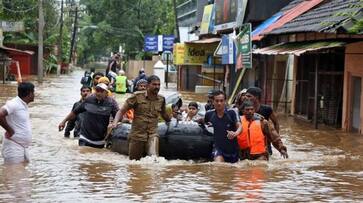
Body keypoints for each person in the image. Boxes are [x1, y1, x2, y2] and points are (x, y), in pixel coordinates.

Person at [111, 75, 172, 160]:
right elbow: (121, 111)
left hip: (152, 134)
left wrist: (171, 122)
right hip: (137, 135)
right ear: (147, 86)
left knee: (153, 159)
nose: (157, 87)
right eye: (154, 84)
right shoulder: (137, 96)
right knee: (134, 163)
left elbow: (164, 113)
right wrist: (115, 122)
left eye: (158, 85)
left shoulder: (161, 99)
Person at [58, 83, 119, 148]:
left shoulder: (111, 103)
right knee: (82, 155)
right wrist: (63, 122)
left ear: (106, 93)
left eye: (101, 91)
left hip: (100, 140)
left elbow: (118, 115)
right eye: (97, 91)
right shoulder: (89, 100)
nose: (99, 93)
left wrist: (115, 123)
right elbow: (75, 112)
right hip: (84, 137)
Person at [201, 90, 242, 163]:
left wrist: (235, 133)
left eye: (221, 101)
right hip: (218, 149)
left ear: (225, 101)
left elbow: (240, 126)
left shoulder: (232, 112)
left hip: (232, 150)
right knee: (218, 167)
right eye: (216, 101)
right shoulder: (209, 114)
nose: (219, 103)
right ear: (213, 102)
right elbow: (203, 123)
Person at [0, 82, 35, 164]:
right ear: (29, 94)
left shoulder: (23, 105)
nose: (34, 95)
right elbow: (0, 114)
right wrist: (9, 130)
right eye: (33, 92)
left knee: (22, 175)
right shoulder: (14, 103)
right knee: (13, 175)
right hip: (13, 147)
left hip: (22, 147)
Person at [245, 87, 280, 155]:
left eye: (249, 96)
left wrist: (275, 138)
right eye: (246, 96)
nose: (246, 98)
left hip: (265, 142)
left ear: (256, 97)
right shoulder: (243, 110)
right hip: (250, 142)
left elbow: (276, 123)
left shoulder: (267, 109)